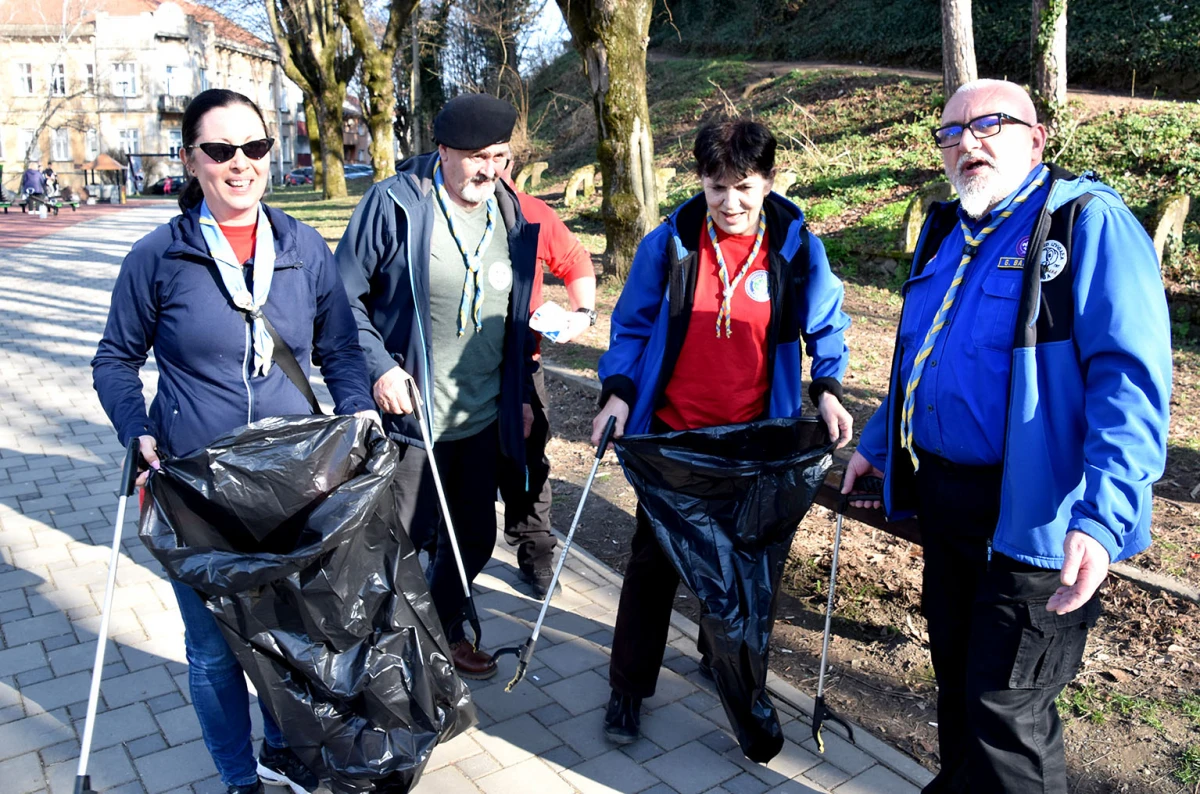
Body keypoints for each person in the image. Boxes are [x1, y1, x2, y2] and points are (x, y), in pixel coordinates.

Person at [842, 79, 1172, 793]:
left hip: (1038, 518)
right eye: (952, 132)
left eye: (988, 123)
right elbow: (917, 360)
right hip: (948, 505)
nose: (968, 141)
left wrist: (1103, 516)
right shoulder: (951, 231)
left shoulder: (1085, 225)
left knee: (1008, 710)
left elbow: (1131, 383)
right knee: (960, 684)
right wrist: (874, 446)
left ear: (1037, 138)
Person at [92, 88, 378, 794]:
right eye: (220, 150)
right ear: (191, 160)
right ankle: (235, 774)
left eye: (255, 147)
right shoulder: (158, 257)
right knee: (216, 651)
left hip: (295, 479)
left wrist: (353, 413)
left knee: (285, 635)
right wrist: (139, 432)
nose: (241, 163)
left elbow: (341, 347)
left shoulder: (304, 246)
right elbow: (114, 359)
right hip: (195, 487)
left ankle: (282, 746)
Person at [591, 119, 853, 744]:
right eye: (716, 187)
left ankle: (720, 657)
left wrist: (829, 389)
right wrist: (619, 393)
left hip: (753, 449)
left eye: (743, 186)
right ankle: (628, 688)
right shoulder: (671, 244)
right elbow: (631, 326)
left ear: (767, 181)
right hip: (676, 442)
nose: (730, 202)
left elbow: (828, 326)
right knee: (652, 567)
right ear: (700, 183)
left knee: (742, 568)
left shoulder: (793, 246)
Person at [336, 93, 539, 681]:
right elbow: (341, 297)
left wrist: (521, 392)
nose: (488, 169)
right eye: (476, 156)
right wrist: (379, 368)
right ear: (443, 151)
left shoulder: (510, 212)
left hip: (479, 417)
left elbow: (513, 316)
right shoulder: (395, 204)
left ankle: (439, 633)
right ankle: (386, 662)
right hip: (410, 418)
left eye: (499, 156)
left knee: (473, 537)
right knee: (400, 545)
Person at [496, 158, 597, 598]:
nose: (487, 168)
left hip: (521, 362)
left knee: (527, 461)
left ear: (509, 163)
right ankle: (450, 552)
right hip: (456, 366)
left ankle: (536, 555)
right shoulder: (439, 213)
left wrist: (583, 314)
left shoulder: (533, 211)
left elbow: (575, 260)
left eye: (497, 157)